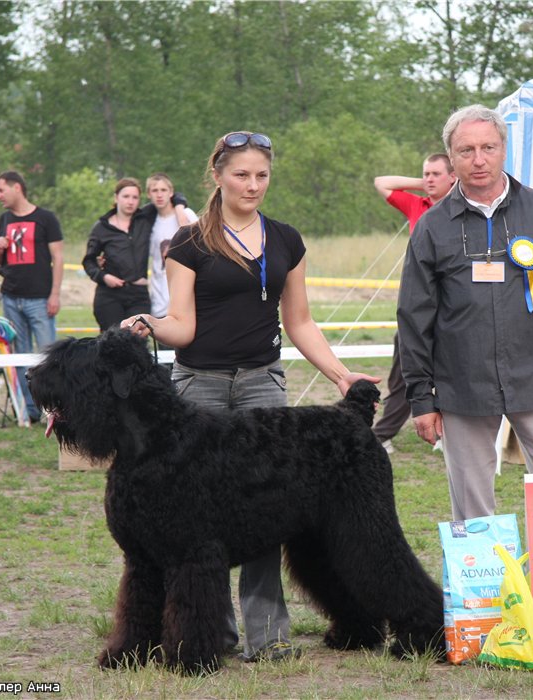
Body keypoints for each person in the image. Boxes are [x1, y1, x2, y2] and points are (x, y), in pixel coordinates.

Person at [121, 131, 379, 662]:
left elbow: (300, 322)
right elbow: (183, 326)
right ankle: (211, 634)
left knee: (266, 513)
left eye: (262, 175)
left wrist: (339, 375)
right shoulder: (189, 245)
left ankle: (269, 637)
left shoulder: (287, 240)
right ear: (216, 176)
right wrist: (150, 322)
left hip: (264, 381)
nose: (252, 185)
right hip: (199, 390)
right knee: (200, 524)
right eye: (241, 174)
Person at [396, 105, 533, 521]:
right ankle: (483, 588)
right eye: (466, 150)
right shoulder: (431, 227)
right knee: (472, 513)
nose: (479, 159)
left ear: (505, 149)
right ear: (451, 158)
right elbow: (414, 318)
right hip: (461, 386)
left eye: (488, 147)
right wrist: (421, 397)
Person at [372, 154, 456, 453]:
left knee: (454, 372)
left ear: (453, 176)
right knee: (405, 375)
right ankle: (383, 434)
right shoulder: (415, 205)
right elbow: (381, 182)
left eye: (436, 174)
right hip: (418, 307)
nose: (429, 179)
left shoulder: (461, 208)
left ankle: (450, 432)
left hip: (453, 309)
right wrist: (424, 185)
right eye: (426, 174)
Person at [0, 170, 64, 423]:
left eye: (1, 190)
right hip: (11, 297)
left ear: (17, 188)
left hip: (40, 298)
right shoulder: (4, 219)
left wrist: (54, 294)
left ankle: (51, 412)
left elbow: (59, 258)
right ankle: (29, 412)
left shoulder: (46, 218)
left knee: (47, 358)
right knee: (19, 356)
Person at [82, 178, 157, 331]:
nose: (130, 201)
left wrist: (180, 204)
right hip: (110, 295)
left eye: (135, 197)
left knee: (137, 341)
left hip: (138, 294)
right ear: (116, 198)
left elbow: (172, 197)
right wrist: (104, 277)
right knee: (112, 344)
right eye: (126, 196)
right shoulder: (102, 227)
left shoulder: (145, 218)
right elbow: (89, 261)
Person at [144, 173, 198, 318]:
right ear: (149, 194)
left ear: (171, 192)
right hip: (159, 299)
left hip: (187, 296)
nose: (159, 195)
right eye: (155, 191)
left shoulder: (186, 214)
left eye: (163, 190)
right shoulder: (149, 223)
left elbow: (200, 246)